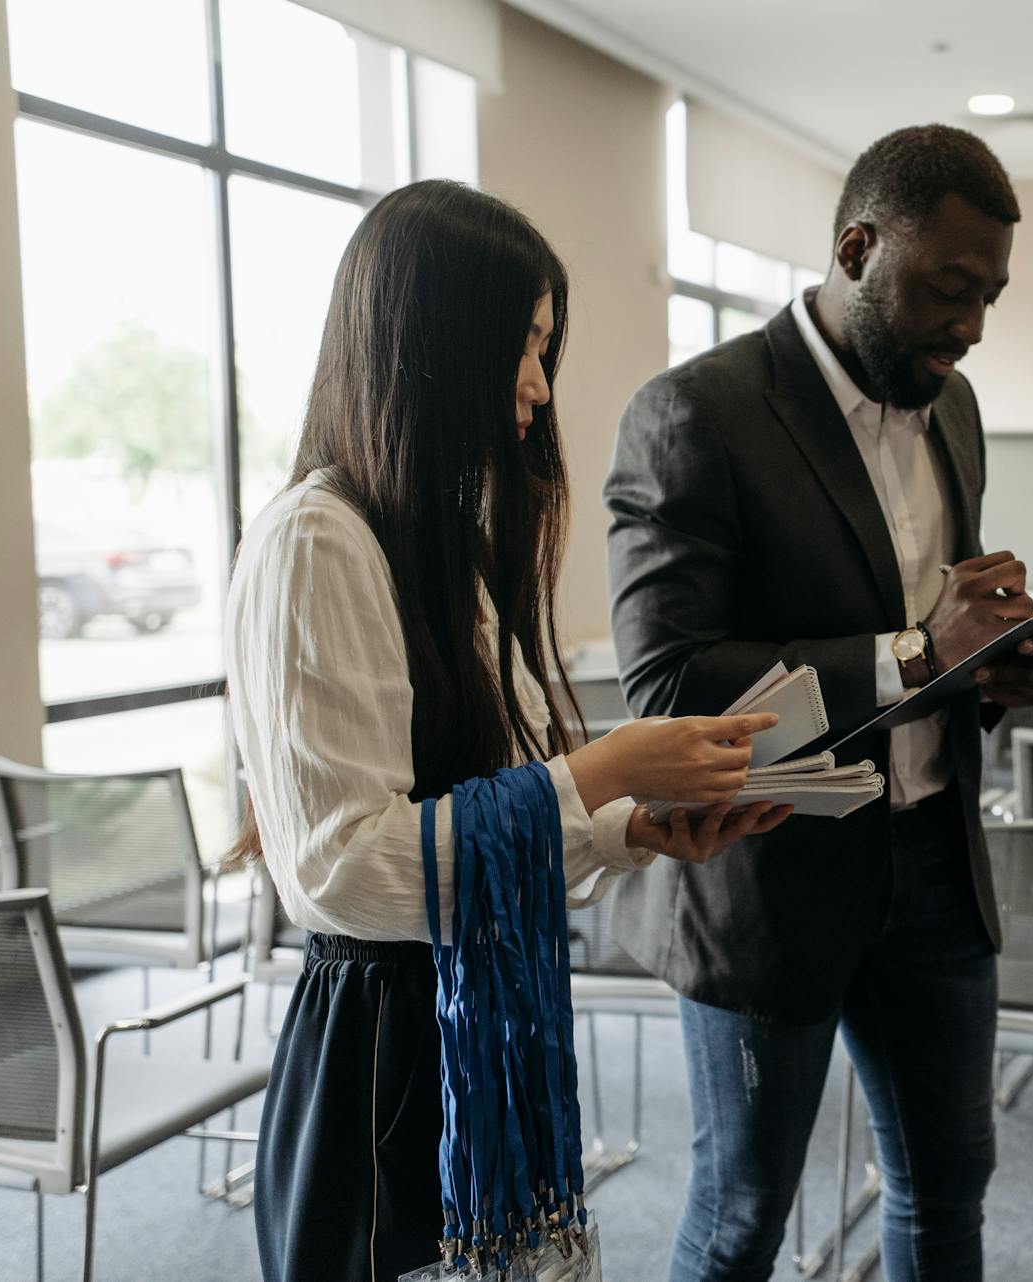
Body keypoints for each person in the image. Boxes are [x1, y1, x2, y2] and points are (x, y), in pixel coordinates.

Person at [224, 180, 791, 1282]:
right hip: (382, 1059)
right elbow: (341, 869)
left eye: (547, 350)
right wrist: (589, 778)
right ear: (428, 344)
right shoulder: (318, 542)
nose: (539, 385)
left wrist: (634, 826)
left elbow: (490, 816)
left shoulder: (440, 544)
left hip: (463, 1017)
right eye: (521, 347)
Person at [605, 126, 1033, 1282]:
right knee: (741, 1216)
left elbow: (940, 645)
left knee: (945, 1188)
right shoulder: (696, 414)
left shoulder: (953, 407)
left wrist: (994, 670)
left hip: (934, 863)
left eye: (991, 298)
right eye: (950, 289)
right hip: (770, 876)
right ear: (857, 248)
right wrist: (918, 654)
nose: (970, 327)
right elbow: (668, 688)